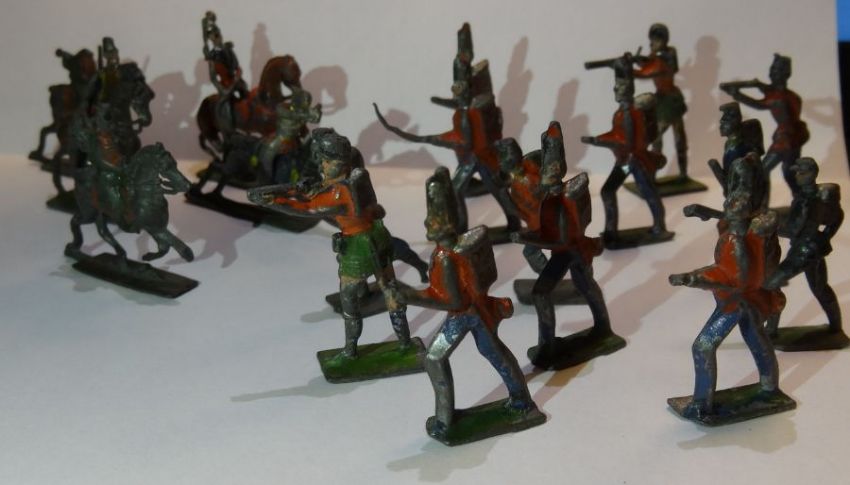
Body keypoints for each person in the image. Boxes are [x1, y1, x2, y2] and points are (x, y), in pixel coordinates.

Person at [400, 166, 543, 444]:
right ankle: (517, 402)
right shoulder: (446, 252)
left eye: (431, 219)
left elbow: (453, 301)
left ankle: (449, 419)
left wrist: (410, 296)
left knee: (440, 358)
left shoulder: (445, 257)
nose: (427, 224)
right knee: (492, 353)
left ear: (443, 225)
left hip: (467, 314)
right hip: (472, 312)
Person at [248, 130, 411, 359]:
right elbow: (319, 190)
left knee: (349, 300)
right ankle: (405, 342)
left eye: (326, 161)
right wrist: (304, 188)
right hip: (378, 236)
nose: (322, 166)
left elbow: (307, 208)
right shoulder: (358, 176)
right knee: (389, 289)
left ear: (339, 162)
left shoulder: (338, 194)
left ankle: (350, 351)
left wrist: (273, 201)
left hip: (358, 248)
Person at [511, 122, 622, 369]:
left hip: (568, 251)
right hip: (572, 250)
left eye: (547, 182)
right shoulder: (558, 197)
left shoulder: (558, 201)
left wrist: (526, 239)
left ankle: (553, 345)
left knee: (544, 293)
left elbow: (558, 239)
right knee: (585, 286)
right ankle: (599, 327)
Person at [669, 191, 787, 420]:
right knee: (756, 339)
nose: (728, 209)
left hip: (735, 303)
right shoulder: (749, 233)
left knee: (703, 347)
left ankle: (701, 404)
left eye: (733, 207)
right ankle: (770, 386)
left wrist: (693, 278)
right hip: (748, 300)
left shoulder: (736, 241)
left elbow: (733, 278)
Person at [764, 158, 846, 349]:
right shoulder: (814, 196)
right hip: (814, 247)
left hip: (803, 251)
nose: (797, 176)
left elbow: (794, 229)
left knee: (771, 283)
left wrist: (771, 226)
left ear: (812, 174)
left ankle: (771, 331)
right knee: (820, 288)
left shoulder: (808, 201)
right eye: (797, 172)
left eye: (802, 172)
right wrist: (825, 237)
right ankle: (835, 327)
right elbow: (837, 217)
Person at [582, 74, 669, 245]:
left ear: (628, 91)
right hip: (627, 160)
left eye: (619, 87)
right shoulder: (623, 113)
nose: (615, 90)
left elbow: (626, 142)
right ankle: (612, 231)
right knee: (619, 192)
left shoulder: (629, 114)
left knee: (646, 193)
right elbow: (618, 135)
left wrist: (599, 141)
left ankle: (658, 227)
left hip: (633, 161)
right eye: (616, 87)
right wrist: (597, 140)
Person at [721, 54, 809, 195]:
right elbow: (770, 90)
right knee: (788, 172)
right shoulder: (789, 94)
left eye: (777, 71)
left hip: (786, 139)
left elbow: (759, 104)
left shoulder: (779, 98)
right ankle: (800, 197)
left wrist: (737, 95)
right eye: (772, 70)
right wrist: (757, 84)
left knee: (764, 171)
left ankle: (764, 204)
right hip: (795, 137)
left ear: (786, 74)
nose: (772, 74)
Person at [633, 23, 688, 178]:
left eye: (656, 40)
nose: (653, 44)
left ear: (664, 40)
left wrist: (647, 61)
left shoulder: (668, 54)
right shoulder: (655, 57)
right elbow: (647, 67)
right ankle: (653, 176)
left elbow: (665, 68)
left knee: (675, 138)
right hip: (662, 99)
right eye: (652, 41)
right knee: (659, 139)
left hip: (671, 100)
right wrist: (641, 61)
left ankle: (682, 173)